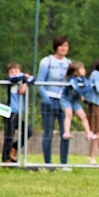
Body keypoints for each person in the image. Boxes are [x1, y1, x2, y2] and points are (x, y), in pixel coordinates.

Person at [36, 35, 72, 165]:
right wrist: (46, 98)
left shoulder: (69, 63)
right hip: (49, 100)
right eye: (61, 45)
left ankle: (64, 163)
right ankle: (48, 163)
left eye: (66, 46)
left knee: (65, 132)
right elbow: (40, 82)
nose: (64, 48)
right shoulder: (47, 61)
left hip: (64, 101)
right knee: (48, 133)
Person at [1, 62, 34, 163]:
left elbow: (33, 78)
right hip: (10, 112)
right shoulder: (10, 81)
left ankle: (14, 149)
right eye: (12, 72)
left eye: (16, 71)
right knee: (9, 135)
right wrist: (24, 77)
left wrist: (26, 84)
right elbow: (14, 79)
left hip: (18, 113)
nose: (14, 74)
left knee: (28, 131)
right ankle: (6, 159)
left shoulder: (22, 80)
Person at [61, 61, 98, 142]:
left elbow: (89, 86)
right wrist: (81, 94)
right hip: (66, 100)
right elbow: (76, 88)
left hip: (74, 101)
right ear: (76, 72)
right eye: (82, 69)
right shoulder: (72, 80)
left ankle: (88, 134)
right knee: (69, 114)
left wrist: (83, 92)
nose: (84, 70)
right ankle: (66, 133)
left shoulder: (83, 79)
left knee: (83, 116)